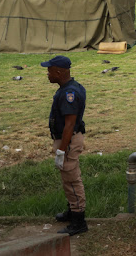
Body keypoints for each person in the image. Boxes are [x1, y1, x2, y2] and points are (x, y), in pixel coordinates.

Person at [42, 55, 88, 235]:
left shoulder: (70, 93)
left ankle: (79, 221)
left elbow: (70, 124)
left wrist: (62, 149)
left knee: (72, 179)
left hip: (68, 140)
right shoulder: (70, 88)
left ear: (59, 72)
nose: (47, 74)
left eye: (49, 70)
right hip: (67, 139)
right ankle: (72, 210)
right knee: (68, 179)